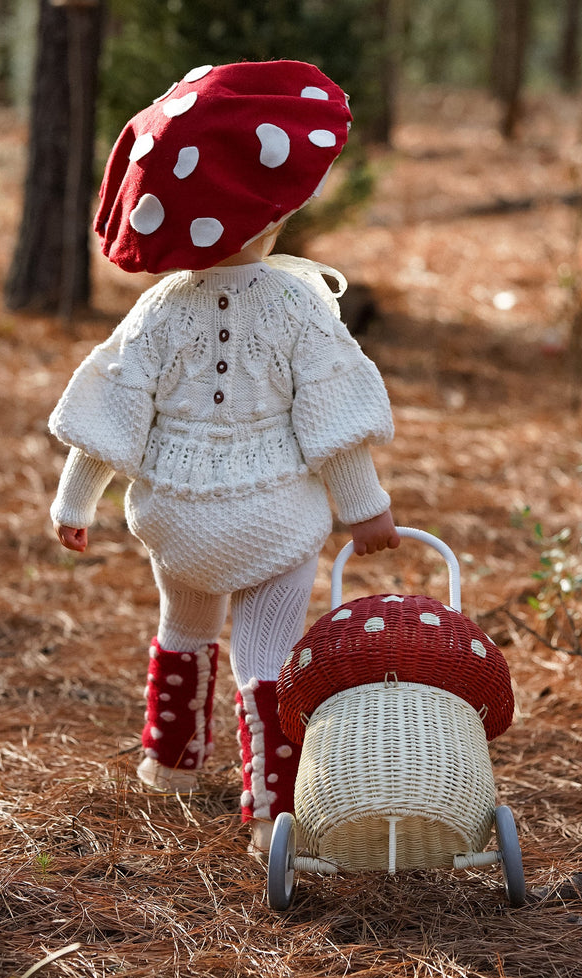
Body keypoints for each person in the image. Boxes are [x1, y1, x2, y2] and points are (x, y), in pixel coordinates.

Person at [48, 60, 398, 852]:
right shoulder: (298, 309)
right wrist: (365, 510)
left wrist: (75, 502)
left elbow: (111, 404)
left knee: (184, 623)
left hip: (176, 517)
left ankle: (170, 759)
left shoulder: (158, 311)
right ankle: (274, 811)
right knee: (267, 655)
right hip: (273, 518)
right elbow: (332, 419)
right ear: (273, 211)